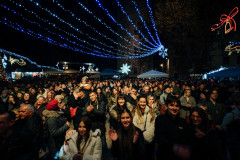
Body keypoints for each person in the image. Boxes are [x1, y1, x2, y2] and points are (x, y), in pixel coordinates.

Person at [155, 95, 192, 160]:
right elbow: (159, 138)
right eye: (171, 105)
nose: (174, 108)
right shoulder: (160, 119)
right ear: (166, 106)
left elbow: (188, 138)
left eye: (177, 106)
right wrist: (174, 147)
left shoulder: (183, 122)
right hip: (164, 155)